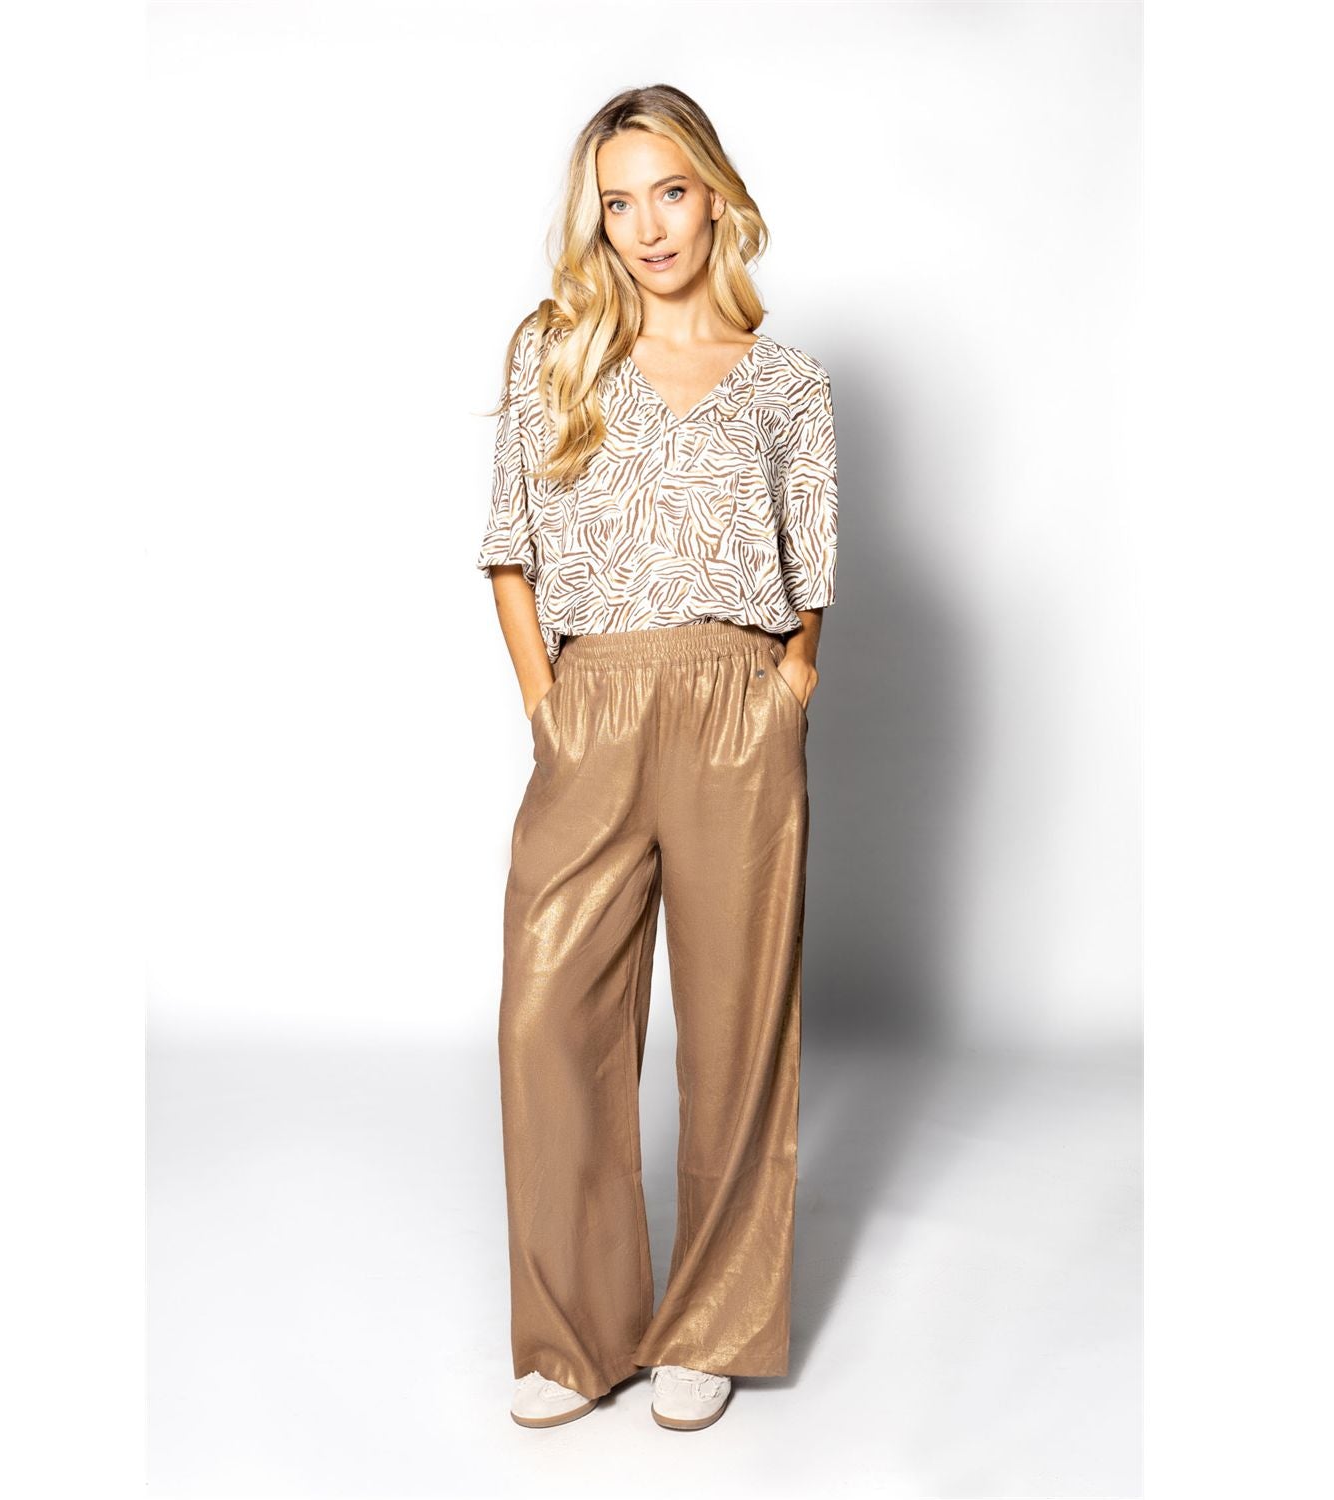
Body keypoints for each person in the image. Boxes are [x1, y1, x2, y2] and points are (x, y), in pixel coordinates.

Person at [476, 83, 839, 1432]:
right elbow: (507, 549)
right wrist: (547, 703)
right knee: (547, 1015)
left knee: (738, 1029)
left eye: (670, 192)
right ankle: (575, 1332)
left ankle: (710, 1323)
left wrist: (791, 683)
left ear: (715, 196)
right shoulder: (553, 352)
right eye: (619, 202)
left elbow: (813, 569)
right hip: (598, 699)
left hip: (739, 702)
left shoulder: (788, 383)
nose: (647, 226)